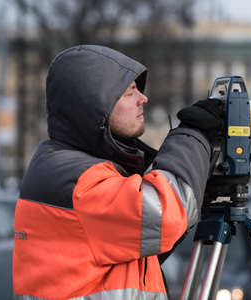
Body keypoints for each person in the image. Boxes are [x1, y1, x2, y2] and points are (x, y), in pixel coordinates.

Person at [13, 45, 224, 300]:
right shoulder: (77, 180)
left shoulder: (65, 166)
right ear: (93, 108)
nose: (143, 98)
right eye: (129, 92)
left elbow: (144, 244)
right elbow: (164, 217)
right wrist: (193, 135)